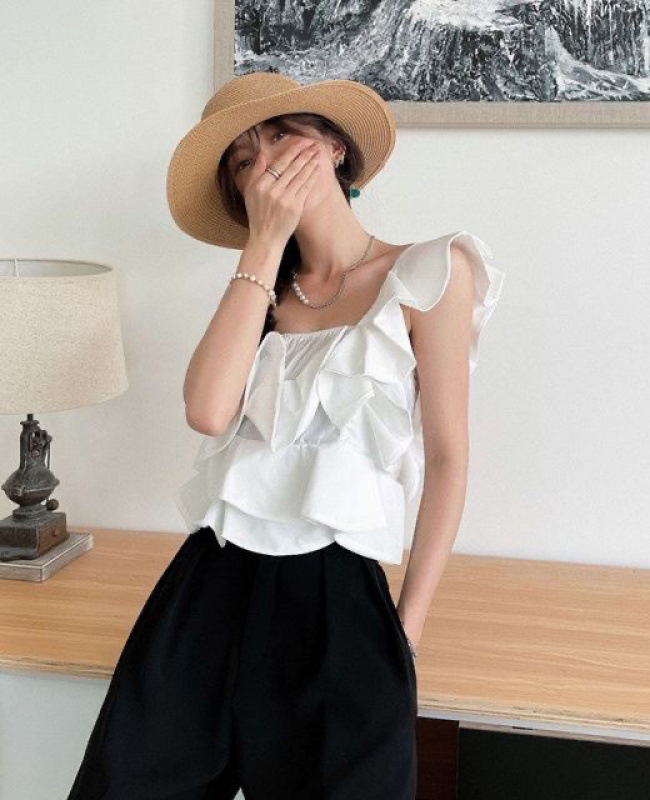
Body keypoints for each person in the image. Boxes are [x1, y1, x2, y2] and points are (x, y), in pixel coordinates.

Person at [67, 71, 505, 799]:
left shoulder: (430, 271)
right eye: (244, 160)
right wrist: (263, 246)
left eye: (280, 135)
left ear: (334, 147)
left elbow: (449, 458)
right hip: (210, 586)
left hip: (341, 600)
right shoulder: (259, 294)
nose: (265, 160)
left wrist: (407, 630)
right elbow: (207, 412)